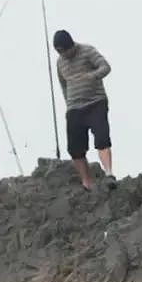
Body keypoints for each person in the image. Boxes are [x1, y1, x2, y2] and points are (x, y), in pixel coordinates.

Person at [53, 29, 116, 190]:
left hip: (96, 102)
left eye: (66, 51)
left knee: (102, 139)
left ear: (71, 45)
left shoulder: (87, 51)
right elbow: (63, 84)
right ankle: (87, 183)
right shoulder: (60, 62)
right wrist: (68, 103)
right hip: (74, 108)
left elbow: (105, 67)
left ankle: (109, 174)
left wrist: (92, 76)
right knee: (75, 149)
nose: (64, 55)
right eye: (60, 52)